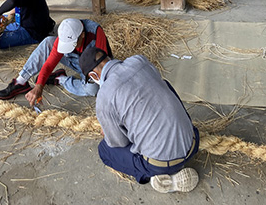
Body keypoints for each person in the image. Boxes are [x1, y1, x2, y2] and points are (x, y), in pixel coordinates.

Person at [78, 46, 200, 194]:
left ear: (94, 76)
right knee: (164, 84)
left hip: (163, 164)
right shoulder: (139, 60)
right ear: (108, 58)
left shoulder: (104, 96)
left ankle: (157, 176)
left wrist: (111, 129)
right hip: (193, 142)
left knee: (105, 150)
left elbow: (119, 142)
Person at [0, 18, 112, 101]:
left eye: (73, 43)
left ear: (82, 34)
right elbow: (49, 64)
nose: (71, 47)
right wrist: (39, 85)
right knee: (48, 42)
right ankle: (21, 81)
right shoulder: (65, 33)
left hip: (93, 65)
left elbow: (103, 64)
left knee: (93, 90)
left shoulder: (95, 31)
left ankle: (60, 79)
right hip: (75, 59)